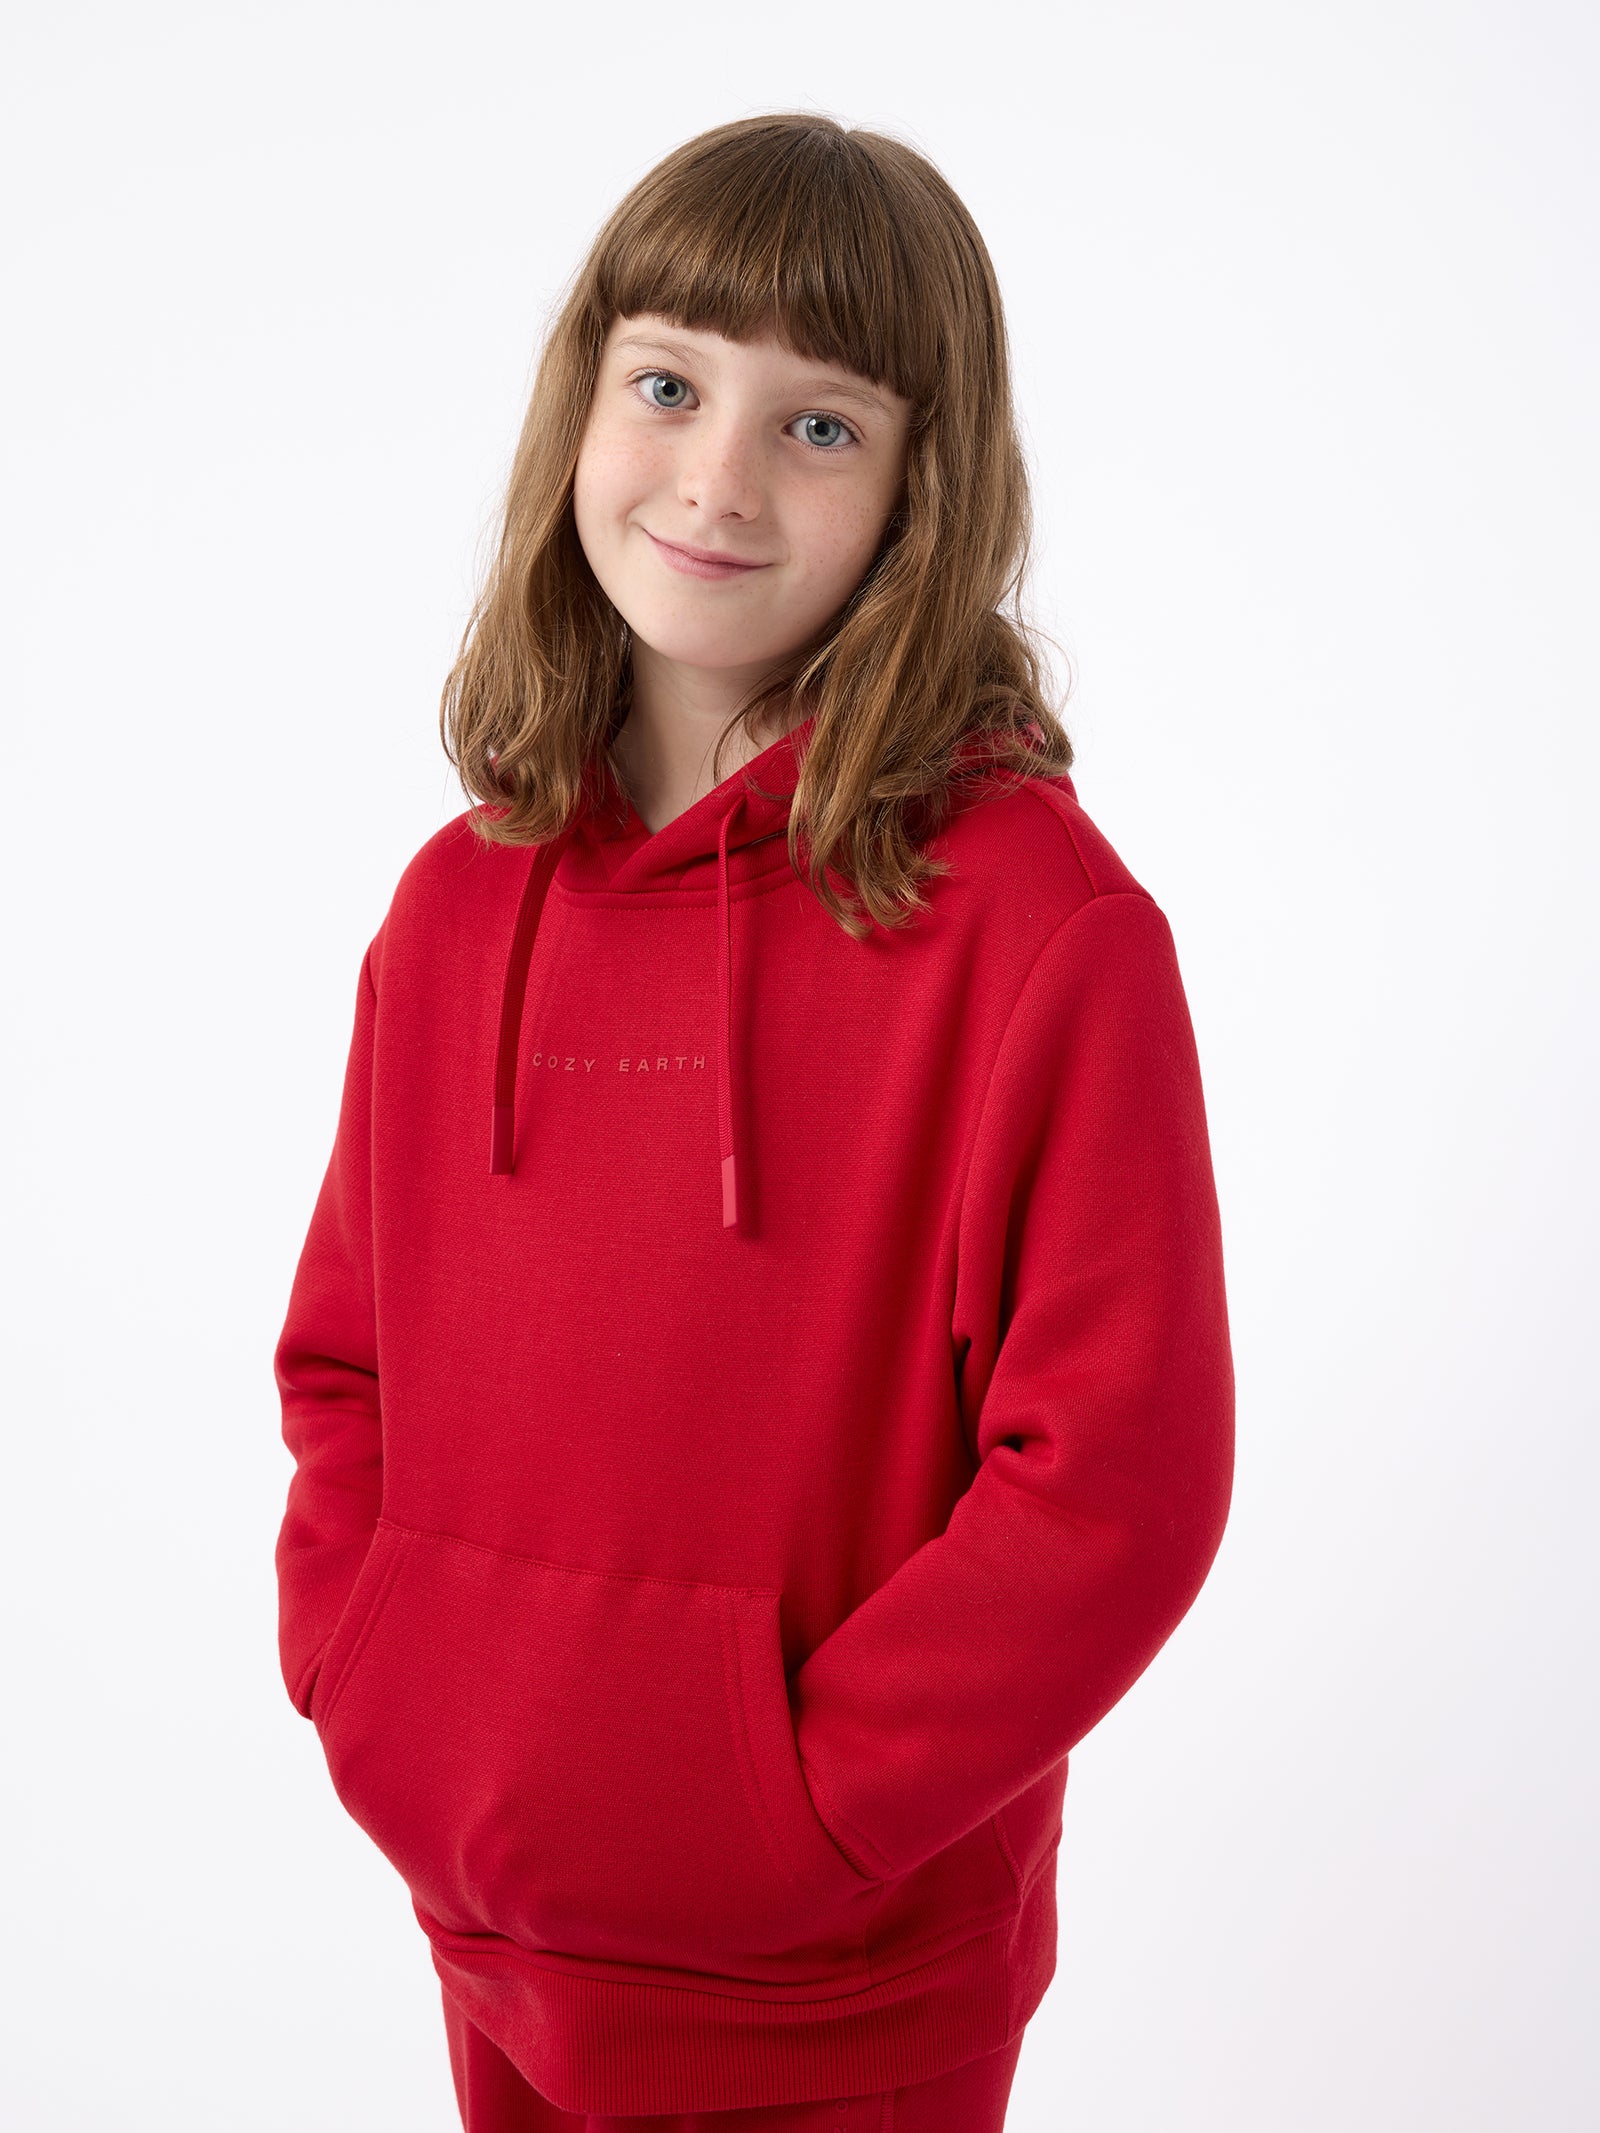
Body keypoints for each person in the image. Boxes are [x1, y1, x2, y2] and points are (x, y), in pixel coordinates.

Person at [272, 112, 1236, 2133]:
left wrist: (784, 1808)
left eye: (819, 426)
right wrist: (389, 1688)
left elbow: (1112, 1479)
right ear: (580, 405)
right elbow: (346, 1357)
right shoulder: (460, 905)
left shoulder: (1030, 928)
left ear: (918, 488)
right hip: (491, 1926)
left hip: (833, 1988)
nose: (713, 475)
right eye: (668, 383)